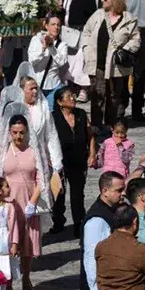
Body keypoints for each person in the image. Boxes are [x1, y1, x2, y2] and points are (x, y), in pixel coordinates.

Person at [0, 112, 52, 290]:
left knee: (27, 246)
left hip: (28, 202)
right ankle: (7, 285)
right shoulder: (3, 152)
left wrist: (33, 202)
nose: (18, 136)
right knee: (7, 246)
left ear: (27, 132)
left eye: (22, 132)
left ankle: (26, 277)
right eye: (15, 132)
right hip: (7, 206)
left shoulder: (34, 151)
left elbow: (42, 177)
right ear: (9, 132)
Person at [80, 0, 139, 129]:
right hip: (97, 63)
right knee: (97, 95)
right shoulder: (98, 14)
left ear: (114, 0)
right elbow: (86, 32)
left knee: (115, 96)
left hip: (116, 66)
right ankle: (96, 125)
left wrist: (125, 49)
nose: (102, 0)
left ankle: (112, 124)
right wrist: (87, 49)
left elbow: (136, 39)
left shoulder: (128, 19)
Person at [52, 84, 95, 236]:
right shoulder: (53, 117)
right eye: (69, 96)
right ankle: (58, 221)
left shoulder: (81, 114)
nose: (73, 98)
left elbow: (90, 136)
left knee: (77, 194)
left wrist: (92, 154)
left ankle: (78, 223)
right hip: (60, 161)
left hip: (79, 160)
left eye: (73, 96)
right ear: (59, 102)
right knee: (58, 193)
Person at [28, 13, 71, 96]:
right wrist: (43, 49)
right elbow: (32, 61)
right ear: (46, 26)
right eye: (53, 24)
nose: (56, 27)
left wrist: (51, 47)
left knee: (52, 109)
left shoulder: (62, 44)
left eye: (58, 25)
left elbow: (62, 62)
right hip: (36, 85)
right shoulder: (36, 39)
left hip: (53, 84)